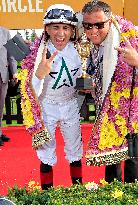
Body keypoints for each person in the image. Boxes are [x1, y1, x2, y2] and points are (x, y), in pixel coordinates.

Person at [81, 1, 138, 183]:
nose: (93, 30)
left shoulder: (125, 40)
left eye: (99, 25)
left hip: (130, 118)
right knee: (111, 171)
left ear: (110, 21)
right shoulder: (91, 46)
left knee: (133, 173)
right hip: (106, 117)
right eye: (88, 25)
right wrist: (90, 87)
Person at [18, 4, 83, 190]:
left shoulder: (79, 51)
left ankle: (78, 192)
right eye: (55, 27)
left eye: (65, 28)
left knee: (75, 150)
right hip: (47, 106)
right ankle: (47, 194)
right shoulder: (36, 53)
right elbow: (27, 89)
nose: (60, 33)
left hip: (70, 105)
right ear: (46, 28)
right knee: (46, 152)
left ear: (72, 30)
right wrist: (38, 74)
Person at [0, 27, 17, 146]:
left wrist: (14, 71)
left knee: (0, 106)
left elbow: (11, 54)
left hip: (2, 74)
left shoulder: (5, 32)